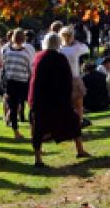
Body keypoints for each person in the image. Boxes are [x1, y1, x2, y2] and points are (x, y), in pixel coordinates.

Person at [28, 32, 90, 168]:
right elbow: (66, 80)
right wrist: (68, 98)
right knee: (74, 120)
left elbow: (33, 79)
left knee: (38, 129)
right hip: (57, 99)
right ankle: (80, 149)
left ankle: (38, 159)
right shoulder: (60, 58)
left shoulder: (38, 57)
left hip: (39, 100)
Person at [2, 29, 32, 140]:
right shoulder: (26, 53)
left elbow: (3, 67)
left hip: (10, 82)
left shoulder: (6, 51)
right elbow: (30, 69)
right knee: (26, 104)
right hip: (22, 82)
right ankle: (32, 126)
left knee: (13, 107)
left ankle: (15, 131)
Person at [59, 26, 89, 124]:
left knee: (67, 105)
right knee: (79, 105)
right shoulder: (76, 48)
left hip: (63, 80)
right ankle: (79, 122)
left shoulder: (59, 50)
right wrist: (77, 43)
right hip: (75, 79)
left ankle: (67, 123)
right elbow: (86, 49)